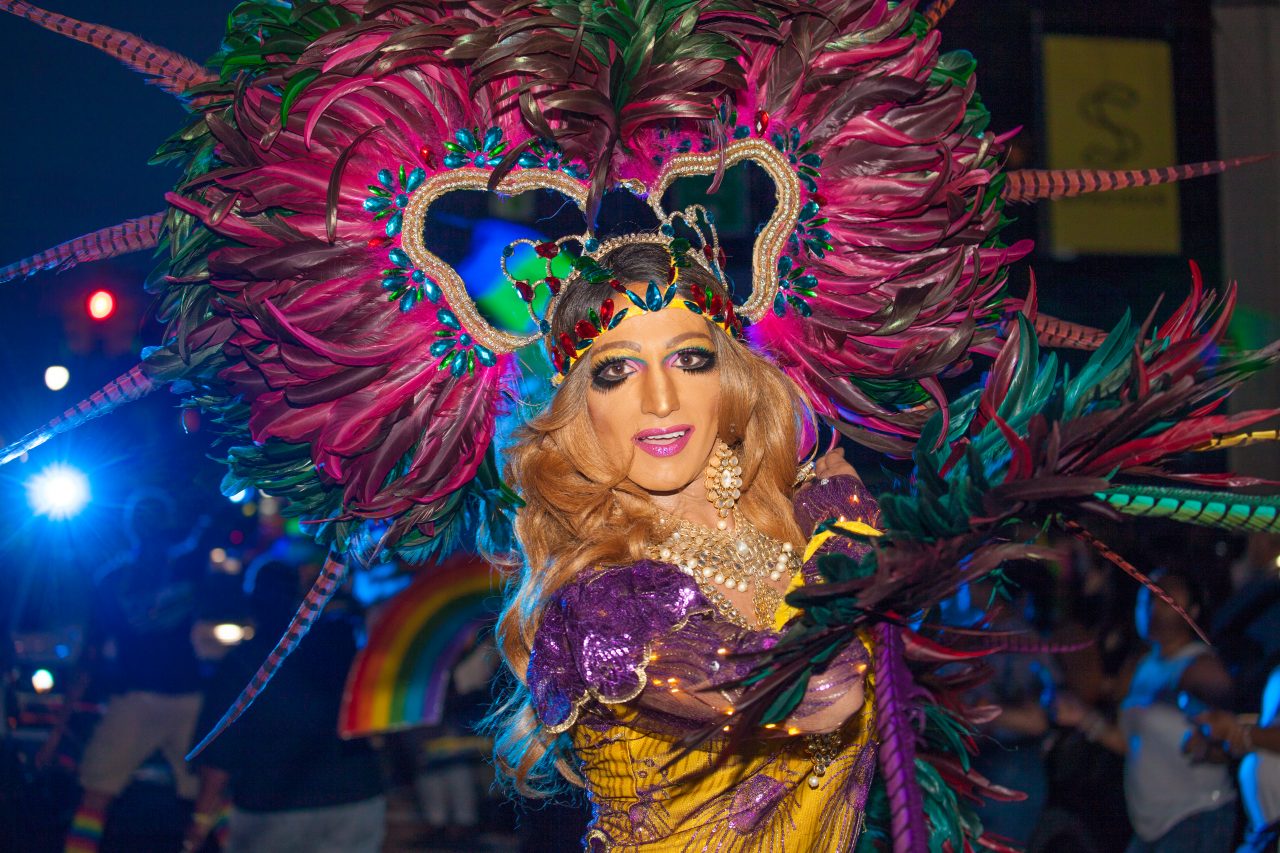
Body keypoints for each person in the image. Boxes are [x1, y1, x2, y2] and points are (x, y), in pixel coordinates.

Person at [182, 552, 386, 853]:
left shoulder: (241, 663)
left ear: (252, 602)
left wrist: (200, 821)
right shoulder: (340, 643)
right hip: (354, 798)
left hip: (273, 810)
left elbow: (219, 759)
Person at [38, 492, 208, 853]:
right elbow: (92, 656)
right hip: (177, 698)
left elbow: (90, 658)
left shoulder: (116, 578)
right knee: (209, 797)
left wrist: (56, 734)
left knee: (97, 796)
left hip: (146, 699)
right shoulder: (184, 566)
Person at [1055, 573, 1236, 853]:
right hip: (1152, 826)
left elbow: (1231, 729)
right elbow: (1131, 742)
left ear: (1193, 610)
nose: (1153, 608)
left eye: (1165, 600)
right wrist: (1084, 718)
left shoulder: (1200, 667)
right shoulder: (1143, 665)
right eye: (1147, 598)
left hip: (1195, 816)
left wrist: (1214, 742)